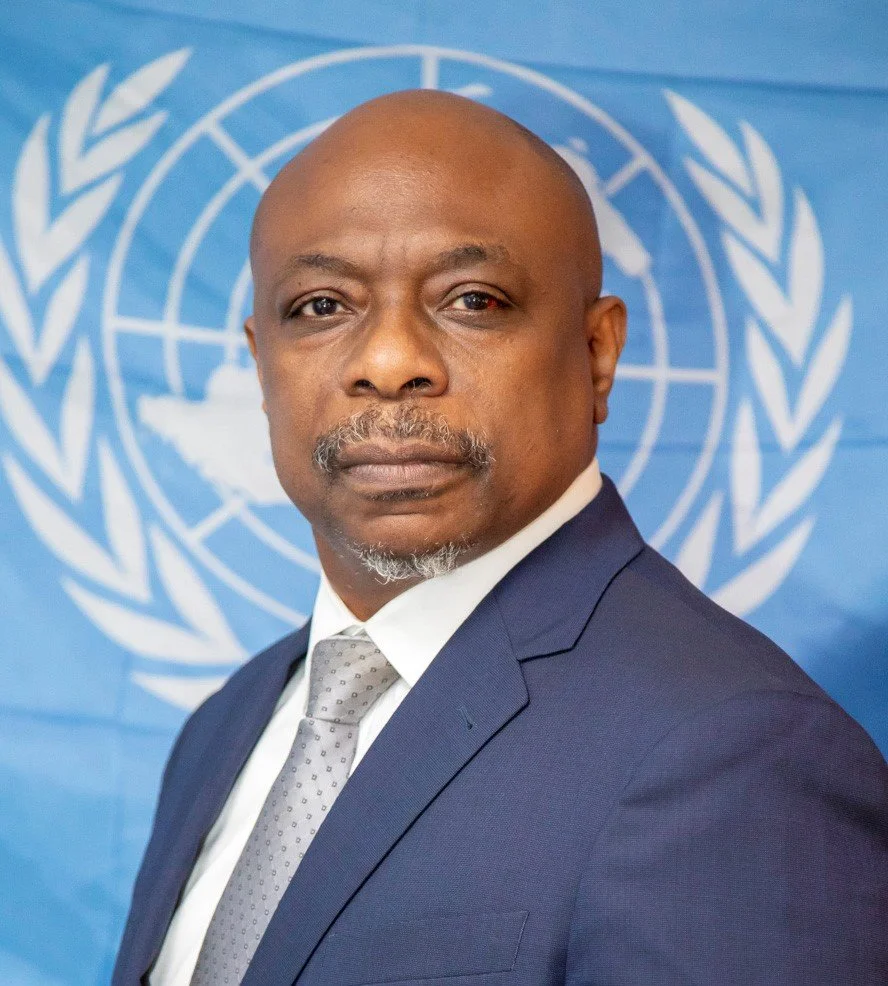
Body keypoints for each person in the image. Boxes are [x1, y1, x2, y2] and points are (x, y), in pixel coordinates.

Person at [113, 90, 888, 986]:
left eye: (472, 300)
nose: (389, 361)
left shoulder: (737, 757)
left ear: (596, 353)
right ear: (260, 363)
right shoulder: (228, 726)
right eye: (322, 306)